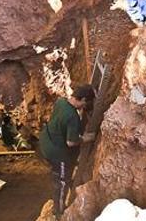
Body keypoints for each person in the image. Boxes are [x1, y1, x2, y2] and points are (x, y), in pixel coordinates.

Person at [39, 85, 96, 218]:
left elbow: (65, 121)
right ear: (82, 99)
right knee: (62, 181)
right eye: (85, 103)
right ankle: (58, 210)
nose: (86, 106)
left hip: (46, 140)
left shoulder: (61, 102)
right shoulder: (72, 117)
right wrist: (87, 138)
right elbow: (71, 142)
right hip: (56, 152)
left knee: (63, 173)